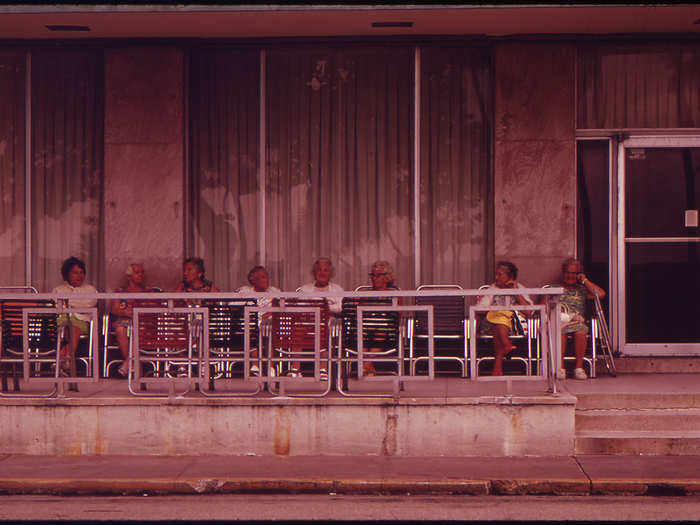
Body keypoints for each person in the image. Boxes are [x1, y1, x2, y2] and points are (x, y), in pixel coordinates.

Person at [548, 257, 606, 380]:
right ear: (563, 273)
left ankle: (578, 368)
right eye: (568, 272)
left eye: (574, 273)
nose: (570, 276)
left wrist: (584, 280)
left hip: (577, 321)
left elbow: (601, 294)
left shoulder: (582, 290)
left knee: (580, 332)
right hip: (559, 322)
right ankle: (560, 367)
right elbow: (543, 306)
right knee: (560, 332)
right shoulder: (553, 288)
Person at [476, 261, 533, 376]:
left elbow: (529, 311)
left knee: (501, 321)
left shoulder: (520, 289)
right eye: (496, 274)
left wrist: (516, 292)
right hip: (490, 325)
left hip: (514, 326)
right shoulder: (492, 289)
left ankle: (498, 365)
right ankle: (505, 346)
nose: (496, 277)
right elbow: (479, 309)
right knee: (500, 319)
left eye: (500, 274)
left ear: (510, 276)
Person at [291, 257, 344, 379]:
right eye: (319, 270)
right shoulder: (305, 289)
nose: (322, 273)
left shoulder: (337, 289)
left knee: (323, 329)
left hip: (327, 323)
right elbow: (300, 306)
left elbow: (340, 307)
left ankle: (323, 369)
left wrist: (322, 308)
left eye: (326, 270)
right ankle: (295, 368)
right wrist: (323, 307)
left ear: (330, 273)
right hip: (307, 321)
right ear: (314, 273)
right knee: (297, 329)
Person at [52, 256, 98, 376]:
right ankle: (66, 359)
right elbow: (55, 305)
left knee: (73, 328)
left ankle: (62, 359)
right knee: (68, 327)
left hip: (82, 321)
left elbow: (89, 304)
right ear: (67, 274)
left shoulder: (90, 289)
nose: (79, 276)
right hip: (62, 321)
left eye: (81, 272)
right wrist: (74, 304)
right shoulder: (58, 289)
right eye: (75, 273)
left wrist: (68, 303)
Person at [109, 263, 157, 377]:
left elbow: (154, 307)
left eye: (142, 272)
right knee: (120, 329)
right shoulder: (120, 292)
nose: (141, 275)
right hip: (125, 321)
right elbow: (114, 309)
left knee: (139, 330)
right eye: (137, 272)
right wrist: (125, 312)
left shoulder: (149, 291)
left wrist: (140, 312)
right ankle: (132, 362)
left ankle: (128, 363)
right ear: (129, 276)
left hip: (143, 322)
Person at [237, 265, 281, 376]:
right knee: (251, 328)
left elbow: (283, 307)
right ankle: (255, 365)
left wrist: (271, 312)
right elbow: (235, 308)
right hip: (251, 325)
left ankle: (270, 367)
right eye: (262, 277)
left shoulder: (275, 291)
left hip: (270, 326)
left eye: (266, 277)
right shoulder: (245, 291)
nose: (266, 280)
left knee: (269, 330)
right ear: (253, 279)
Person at [362, 260, 399, 376]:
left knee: (382, 328)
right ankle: (368, 365)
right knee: (357, 331)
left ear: (387, 277)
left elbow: (397, 315)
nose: (374, 278)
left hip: (386, 331)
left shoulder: (394, 294)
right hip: (367, 328)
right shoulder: (365, 295)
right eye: (372, 275)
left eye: (378, 275)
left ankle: (365, 364)